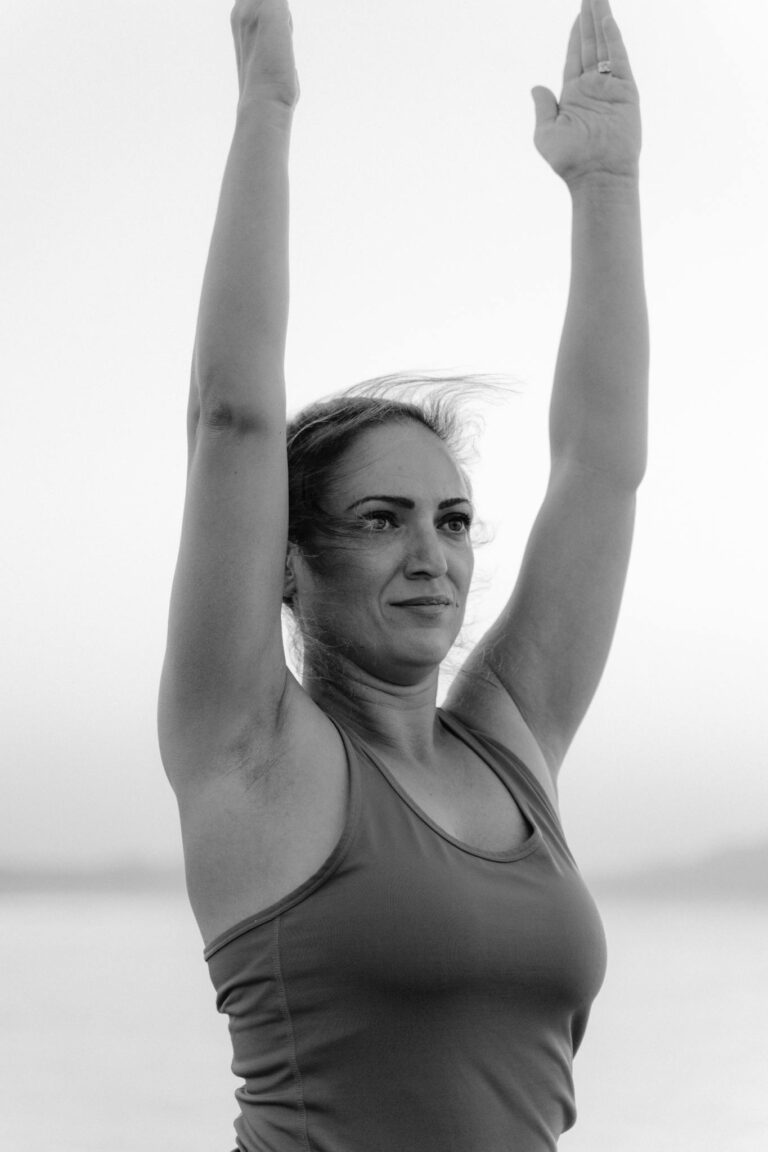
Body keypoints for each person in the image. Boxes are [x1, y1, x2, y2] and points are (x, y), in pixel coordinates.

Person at [158, 0, 647, 1148]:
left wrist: (607, 189)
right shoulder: (250, 751)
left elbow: (601, 471)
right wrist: (267, 109)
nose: (434, 554)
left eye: (453, 520)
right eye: (383, 520)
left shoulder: (510, 740)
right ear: (288, 561)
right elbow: (232, 419)